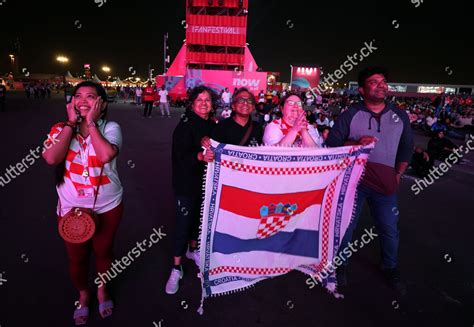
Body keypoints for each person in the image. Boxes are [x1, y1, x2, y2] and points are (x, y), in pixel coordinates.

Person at [326, 67, 413, 294]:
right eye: (374, 82)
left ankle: (390, 267)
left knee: (389, 228)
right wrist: (354, 143)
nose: (381, 85)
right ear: (363, 90)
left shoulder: (400, 116)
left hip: (385, 185)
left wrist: (398, 174)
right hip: (354, 183)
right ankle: (340, 265)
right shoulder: (350, 114)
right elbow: (332, 144)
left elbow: (406, 148)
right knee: (346, 227)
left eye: (384, 81)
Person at [42, 81, 123, 325]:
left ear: (102, 103)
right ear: (72, 102)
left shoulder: (110, 127)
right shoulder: (60, 128)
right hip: (70, 208)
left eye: (91, 96)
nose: (83, 101)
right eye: (78, 96)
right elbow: (51, 157)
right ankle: (84, 294)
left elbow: (106, 154)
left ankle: (101, 289)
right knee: (77, 258)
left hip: (108, 205)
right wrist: (70, 124)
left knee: (104, 252)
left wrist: (90, 124)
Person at [166, 85, 217, 295]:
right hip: (186, 184)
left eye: (207, 100)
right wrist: (199, 156)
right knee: (183, 225)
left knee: (199, 219)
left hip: (205, 182)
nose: (204, 103)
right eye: (200, 100)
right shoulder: (185, 125)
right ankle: (176, 268)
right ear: (192, 103)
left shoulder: (212, 124)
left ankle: (193, 250)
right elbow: (180, 156)